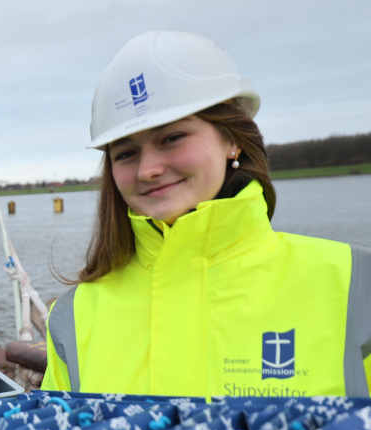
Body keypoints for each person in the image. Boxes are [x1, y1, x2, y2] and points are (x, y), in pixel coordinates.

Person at [42, 31, 371, 398]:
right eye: (125, 153)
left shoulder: (353, 286)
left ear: (232, 139)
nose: (148, 169)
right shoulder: (74, 315)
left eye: (172, 138)